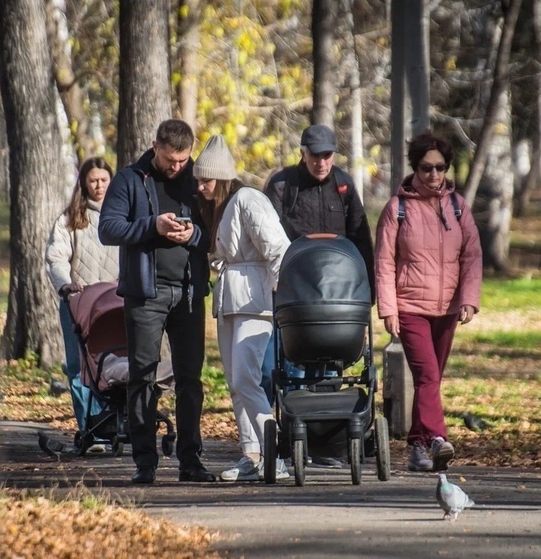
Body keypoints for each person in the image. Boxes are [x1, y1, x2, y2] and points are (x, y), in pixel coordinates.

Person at [98, 119, 215, 484]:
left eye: (182, 160)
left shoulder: (198, 179)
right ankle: (145, 463)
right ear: (154, 146)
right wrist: (153, 226)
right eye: (169, 160)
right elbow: (108, 228)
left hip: (189, 291)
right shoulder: (130, 178)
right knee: (143, 376)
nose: (176, 167)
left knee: (190, 379)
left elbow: (216, 229)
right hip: (145, 293)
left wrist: (194, 234)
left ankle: (190, 461)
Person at [264, 123, 375, 468]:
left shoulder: (342, 184)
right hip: (296, 288)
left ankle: (328, 440)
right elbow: (268, 233)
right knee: (294, 364)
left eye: (328, 156)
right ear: (303, 153)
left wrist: (367, 286)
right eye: (316, 156)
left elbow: (359, 231)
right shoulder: (283, 185)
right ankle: (299, 437)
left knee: (331, 362)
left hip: (338, 286)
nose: (322, 163)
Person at [374, 131, 482, 472]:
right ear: (414, 168)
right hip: (410, 307)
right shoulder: (397, 208)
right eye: (426, 168)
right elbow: (384, 261)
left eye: (440, 168)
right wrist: (388, 308)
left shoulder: (457, 206)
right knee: (427, 376)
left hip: (448, 308)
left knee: (431, 380)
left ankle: (417, 450)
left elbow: (472, 255)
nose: (434, 175)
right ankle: (437, 437)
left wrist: (468, 298)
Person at [194, 135, 291, 482]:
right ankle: (251, 453)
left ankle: (275, 453)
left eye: (207, 180)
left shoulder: (248, 199)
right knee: (235, 384)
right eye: (199, 180)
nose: (201, 186)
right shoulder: (218, 206)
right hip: (230, 298)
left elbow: (278, 249)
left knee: (246, 378)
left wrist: (281, 292)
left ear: (222, 178)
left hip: (256, 299)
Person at [45, 157, 118, 453]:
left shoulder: (120, 216)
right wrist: (65, 284)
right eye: (93, 180)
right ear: (84, 184)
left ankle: (110, 426)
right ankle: (90, 430)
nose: (99, 186)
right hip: (79, 303)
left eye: (104, 180)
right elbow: (56, 257)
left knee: (109, 367)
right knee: (79, 368)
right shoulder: (70, 219)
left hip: (115, 304)